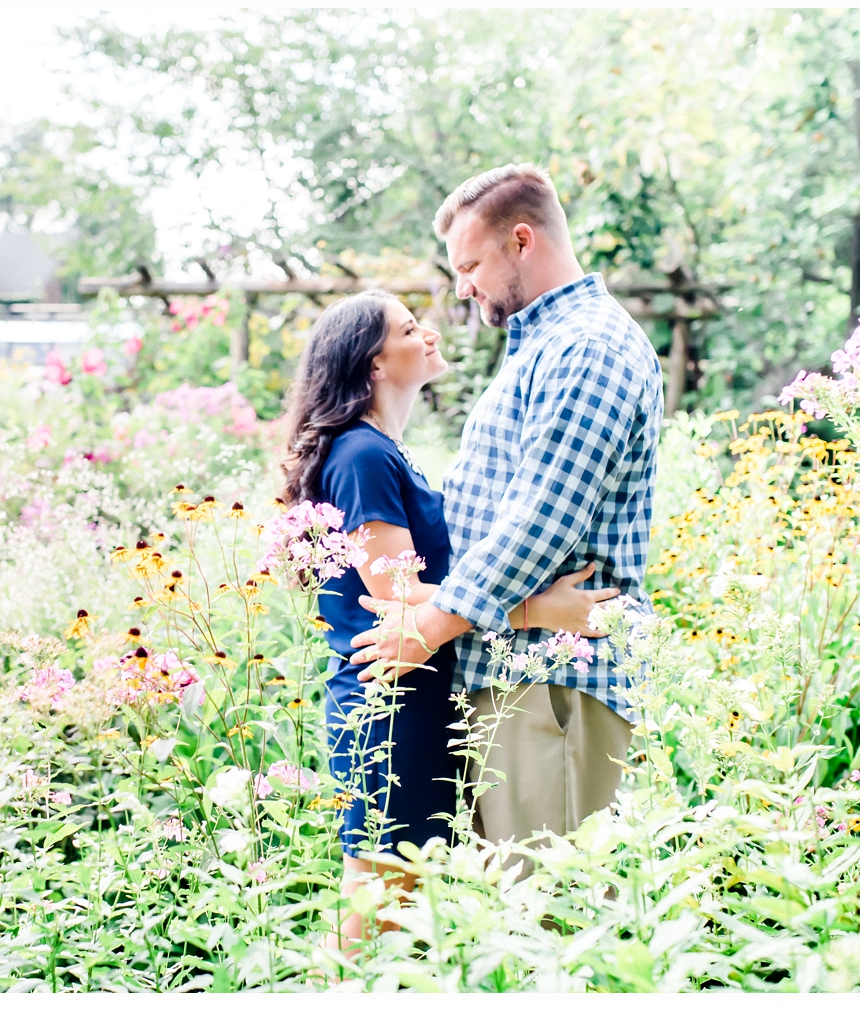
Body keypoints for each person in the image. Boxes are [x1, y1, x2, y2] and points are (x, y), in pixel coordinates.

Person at [280, 288, 618, 947]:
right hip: (387, 698)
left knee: (406, 896)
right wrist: (545, 608)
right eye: (410, 328)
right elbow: (397, 597)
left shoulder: (382, 449)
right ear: (374, 364)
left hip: (416, 694)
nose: (428, 334)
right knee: (381, 888)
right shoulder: (362, 456)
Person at [349, 163, 663, 858]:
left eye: (470, 265)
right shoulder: (545, 346)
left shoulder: (586, 348)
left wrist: (426, 624)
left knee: (549, 922)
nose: (462, 288)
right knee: (510, 928)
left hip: (553, 684)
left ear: (522, 241)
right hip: (516, 675)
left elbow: (538, 521)